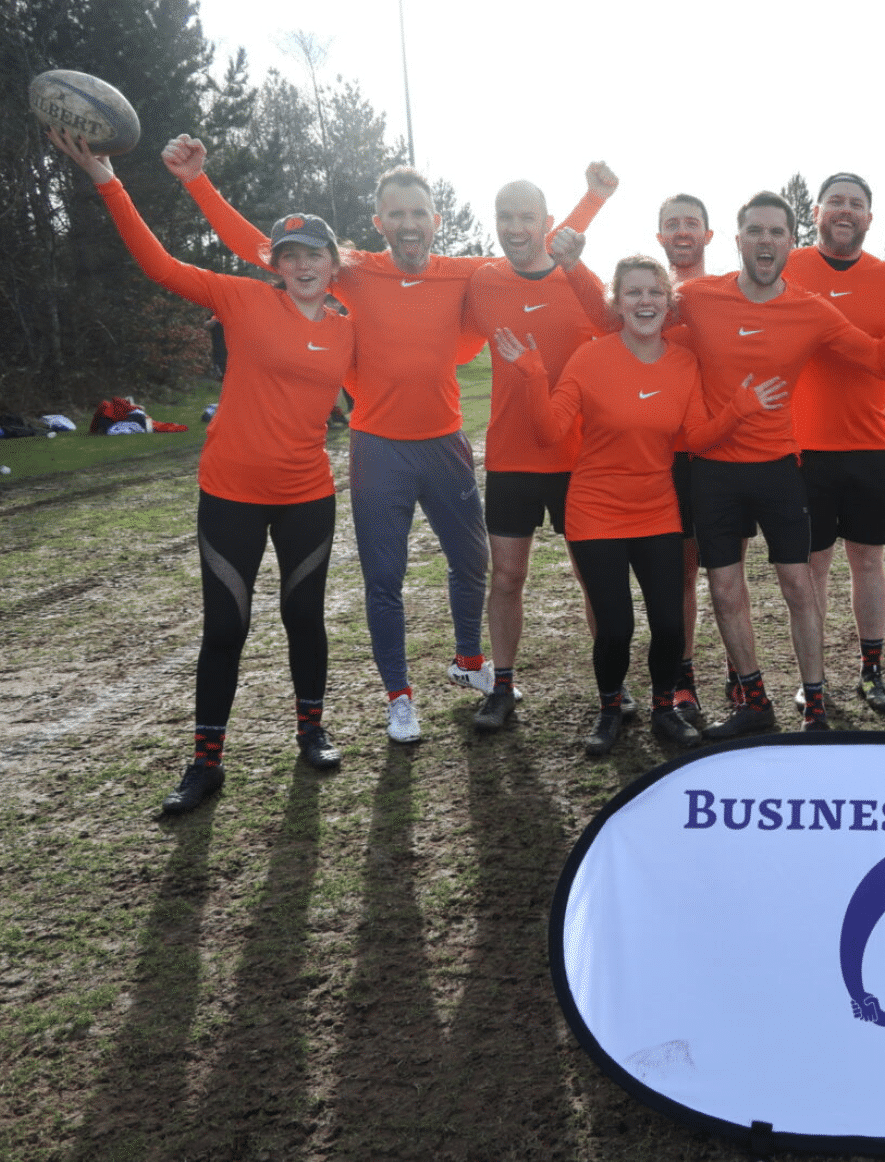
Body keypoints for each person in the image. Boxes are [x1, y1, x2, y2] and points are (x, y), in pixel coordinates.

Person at [162, 136, 612, 743]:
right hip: (377, 448)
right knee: (384, 578)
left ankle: (469, 661)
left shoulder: (465, 274)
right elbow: (263, 249)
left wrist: (592, 201)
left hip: (445, 443)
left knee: (474, 562)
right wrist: (197, 183)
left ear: (436, 221)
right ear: (379, 222)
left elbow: (538, 247)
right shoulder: (353, 269)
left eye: (417, 213)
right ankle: (399, 697)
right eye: (394, 214)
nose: (407, 224)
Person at [51, 129, 353, 814]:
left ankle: (312, 730)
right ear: (275, 263)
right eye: (291, 255)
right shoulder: (243, 298)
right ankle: (206, 762)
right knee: (226, 628)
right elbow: (159, 265)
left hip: (309, 494)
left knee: (304, 615)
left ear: (335, 264)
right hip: (232, 494)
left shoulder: (348, 324)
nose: (303, 265)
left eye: (315, 255)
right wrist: (107, 178)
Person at [492, 256, 787, 755]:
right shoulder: (589, 357)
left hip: (657, 509)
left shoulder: (683, 361)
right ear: (617, 302)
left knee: (670, 623)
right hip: (595, 510)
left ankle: (663, 708)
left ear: (668, 302)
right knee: (616, 626)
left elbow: (694, 436)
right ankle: (609, 710)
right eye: (633, 293)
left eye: (654, 292)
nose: (645, 301)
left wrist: (740, 409)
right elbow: (549, 433)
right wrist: (532, 375)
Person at [675, 190, 885, 736]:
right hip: (713, 469)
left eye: (776, 232)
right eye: (755, 231)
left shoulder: (811, 310)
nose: (766, 241)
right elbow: (635, 318)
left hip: (779, 468)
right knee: (724, 588)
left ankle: (815, 706)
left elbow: (883, 362)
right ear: (738, 239)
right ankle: (754, 701)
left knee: (798, 587)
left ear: (792, 242)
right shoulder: (695, 297)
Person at [463, 174, 625, 733]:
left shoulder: (577, 280)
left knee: (592, 577)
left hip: (578, 457)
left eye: (527, 216)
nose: (515, 227)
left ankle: (613, 685)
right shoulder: (482, 281)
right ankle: (501, 686)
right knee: (507, 577)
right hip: (511, 458)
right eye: (505, 216)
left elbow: (612, 322)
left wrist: (596, 198)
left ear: (547, 221)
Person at [782, 173, 885, 712]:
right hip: (802, 450)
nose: (845, 210)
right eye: (836, 201)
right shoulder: (787, 266)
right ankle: (813, 677)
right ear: (815, 210)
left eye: (856, 204)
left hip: (869, 446)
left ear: (869, 217)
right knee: (812, 567)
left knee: (868, 562)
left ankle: (872, 670)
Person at [655, 193, 717, 721]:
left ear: (708, 236)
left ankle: (699, 675)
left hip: (714, 453)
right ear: (659, 236)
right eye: (672, 223)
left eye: (691, 223)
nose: (682, 231)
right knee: (671, 574)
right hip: (656, 457)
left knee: (711, 572)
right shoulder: (642, 297)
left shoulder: (725, 295)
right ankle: (676, 676)